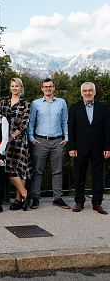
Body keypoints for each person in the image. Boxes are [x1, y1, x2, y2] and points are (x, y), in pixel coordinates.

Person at [28, 78, 70, 210]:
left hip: (58, 141)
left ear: (54, 88)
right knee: (37, 171)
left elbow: (65, 121)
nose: (48, 89)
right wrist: (31, 137)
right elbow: (31, 122)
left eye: (50, 86)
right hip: (40, 141)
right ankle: (35, 198)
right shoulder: (35, 104)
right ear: (42, 88)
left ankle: (57, 198)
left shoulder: (61, 103)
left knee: (57, 171)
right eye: (45, 87)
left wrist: (66, 137)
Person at [68, 82, 110, 215]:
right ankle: (79, 201)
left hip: (99, 148)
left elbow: (107, 129)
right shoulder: (75, 108)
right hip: (80, 148)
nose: (87, 93)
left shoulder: (103, 108)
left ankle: (97, 203)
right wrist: (72, 147)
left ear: (94, 92)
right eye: (85, 91)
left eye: (90, 90)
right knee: (79, 175)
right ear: (81, 93)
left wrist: (107, 147)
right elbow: (71, 129)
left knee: (98, 176)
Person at [0, 78, 31, 211]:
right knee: (8, 169)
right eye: (12, 86)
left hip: (19, 140)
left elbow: (24, 123)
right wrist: (5, 138)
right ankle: (25, 194)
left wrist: (13, 135)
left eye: (17, 86)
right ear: (10, 87)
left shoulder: (26, 104)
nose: (14, 88)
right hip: (5, 141)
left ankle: (18, 200)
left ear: (21, 87)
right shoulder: (3, 102)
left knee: (20, 170)